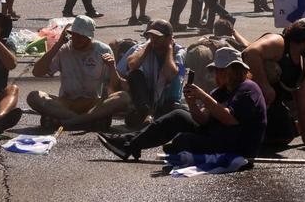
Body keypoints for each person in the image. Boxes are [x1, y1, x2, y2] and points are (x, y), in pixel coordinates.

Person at [98, 47, 267, 163]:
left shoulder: (248, 89)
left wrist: (203, 95)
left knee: (181, 142)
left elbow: (230, 119)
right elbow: (203, 120)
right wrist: (192, 103)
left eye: (220, 71)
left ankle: (135, 145)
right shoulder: (221, 90)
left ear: (231, 71)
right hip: (219, 135)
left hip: (237, 145)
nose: (216, 74)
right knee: (179, 114)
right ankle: (129, 144)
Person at [28, 14, 129, 130]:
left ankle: (73, 121)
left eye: (81, 36)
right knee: (34, 96)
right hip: (66, 103)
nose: (76, 39)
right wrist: (58, 45)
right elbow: (37, 72)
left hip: (92, 103)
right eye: (74, 35)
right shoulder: (64, 49)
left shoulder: (102, 50)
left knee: (123, 97)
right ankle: (80, 121)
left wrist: (112, 67)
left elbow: (115, 87)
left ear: (90, 37)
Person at [242, 18, 305, 147]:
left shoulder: (303, 63)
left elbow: (303, 101)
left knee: (285, 134)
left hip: (272, 104)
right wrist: (264, 85)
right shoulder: (279, 43)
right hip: (246, 97)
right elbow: (250, 53)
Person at [118, 20, 186, 127]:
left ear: (169, 38)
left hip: (168, 99)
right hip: (148, 98)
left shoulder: (179, 52)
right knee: (134, 74)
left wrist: (169, 49)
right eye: (152, 36)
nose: (154, 40)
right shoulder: (145, 47)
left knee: (175, 116)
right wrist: (149, 46)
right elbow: (132, 65)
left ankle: (152, 117)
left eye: (158, 37)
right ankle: (148, 114)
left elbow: (171, 75)